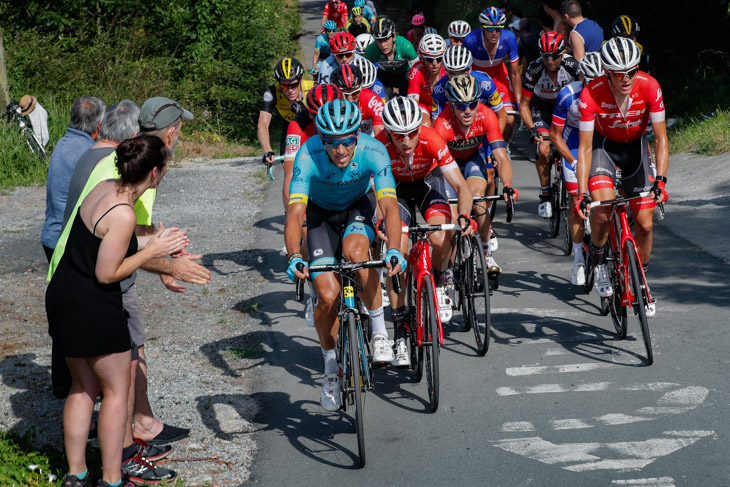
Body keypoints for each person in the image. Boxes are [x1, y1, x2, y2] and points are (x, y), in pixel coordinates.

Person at [46, 135, 186, 487]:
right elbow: (107, 271)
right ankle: (112, 479)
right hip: (92, 302)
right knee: (115, 392)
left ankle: (76, 475)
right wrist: (152, 250)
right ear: (155, 173)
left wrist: (159, 245)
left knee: (82, 386)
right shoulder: (124, 213)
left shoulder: (105, 187)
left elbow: (106, 239)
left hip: (63, 292)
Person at [285, 99, 405, 410]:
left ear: (357, 135)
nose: (341, 151)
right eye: (333, 143)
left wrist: (393, 248)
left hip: (357, 208)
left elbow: (390, 206)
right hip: (320, 216)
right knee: (326, 296)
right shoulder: (308, 154)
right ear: (322, 139)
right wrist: (293, 255)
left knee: (356, 252)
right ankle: (329, 367)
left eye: (348, 141)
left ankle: (379, 330)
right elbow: (295, 212)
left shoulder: (373, 150)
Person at [575, 37, 668, 318]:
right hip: (604, 149)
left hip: (636, 150)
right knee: (602, 212)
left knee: (646, 224)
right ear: (607, 72)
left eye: (631, 71)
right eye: (619, 73)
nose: (626, 79)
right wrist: (582, 194)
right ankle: (600, 258)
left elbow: (662, 139)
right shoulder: (590, 94)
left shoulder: (650, 86)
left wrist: (661, 180)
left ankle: (641, 277)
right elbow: (584, 148)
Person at [376, 96, 476, 335]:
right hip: (395, 191)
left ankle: (441, 281)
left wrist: (463, 215)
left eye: (412, 133)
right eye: (399, 136)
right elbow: (376, 193)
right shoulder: (378, 147)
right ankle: (400, 323)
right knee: (395, 253)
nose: (407, 141)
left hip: (427, 184)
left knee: (441, 237)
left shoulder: (432, 138)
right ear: (388, 133)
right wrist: (380, 219)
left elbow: (461, 186)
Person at [434, 74, 516, 281]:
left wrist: (507, 185)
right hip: (448, 166)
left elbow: (501, 157)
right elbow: (438, 167)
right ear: (451, 105)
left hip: (473, 160)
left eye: (472, 104)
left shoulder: (486, 115)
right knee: (452, 220)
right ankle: (448, 272)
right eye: (461, 106)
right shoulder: (442, 124)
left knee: (478, 199)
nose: (468, 110)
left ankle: (487, 252)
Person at [549, 52, 603, 286]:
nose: (597, 84)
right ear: (582, 76)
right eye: (591, 80)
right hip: (573, 146)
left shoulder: (611, 92)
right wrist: (572, 161)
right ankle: (579, 259)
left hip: (600, 143)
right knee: (575, 200)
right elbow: (555, 135)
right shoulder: (567, 95)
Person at [519, 31, 579, 218]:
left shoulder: (573, 67)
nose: (550, 60)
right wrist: (532, 129)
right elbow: (524, 105)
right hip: (542, 109)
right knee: (543, 147)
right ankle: (545, 194)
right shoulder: (534, 71)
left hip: (566, 110)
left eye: (554, 56)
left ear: (562, 54)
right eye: (545, 56)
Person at [41, 96, 106, 262]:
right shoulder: (89, 153)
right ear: (99, 125)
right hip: (69, 240)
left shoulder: (63, 143)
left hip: (51, 235)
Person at [463, 7, 521, 147]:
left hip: (498, 78)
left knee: (509, 119)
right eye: (489, 29)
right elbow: (463, 70)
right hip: (476, 79)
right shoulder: (470, 40)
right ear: (482, 27)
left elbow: (515, 73)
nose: (494, 33)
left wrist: (519, 102)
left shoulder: (509, 38)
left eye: (498, 29)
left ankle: (503, 146)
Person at [258, 57, 313, 167]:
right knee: (288, 167)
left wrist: (304, 113)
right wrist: (267, 150)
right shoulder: (273, 91)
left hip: (312, 126)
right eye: (284, 86)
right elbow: (263, 123)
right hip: (289, 126)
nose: (290, 90)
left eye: (294, 85)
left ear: (301, 79)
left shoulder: (313, 88)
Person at [365, 17, 419, 97]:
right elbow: (365, 74)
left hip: (405, 75)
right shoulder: (371, 50)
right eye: (379, 40)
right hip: (386, 75)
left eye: (386, 39)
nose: (383, 45)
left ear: (394, 36)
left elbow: (418, 69)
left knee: (408, 99)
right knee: (384, 100)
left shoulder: (405, 46)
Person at [330, 64, 384, 136]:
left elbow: (381, 137)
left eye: (354, 94)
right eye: (344, 95)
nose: (350, 100)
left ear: (361, 86)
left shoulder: (371, 100)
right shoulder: (330, 100)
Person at [407, 33, 447, 124]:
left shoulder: (447, 69)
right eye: (430, 59)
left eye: (439, 58)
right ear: (422, 58)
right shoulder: (417, 70)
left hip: (442, 104)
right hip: (423, 105)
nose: (435, 63)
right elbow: (413, 105)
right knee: (426, 125)